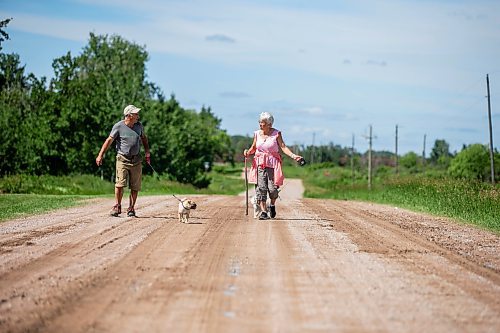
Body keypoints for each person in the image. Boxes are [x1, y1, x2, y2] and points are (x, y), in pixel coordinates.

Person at [243, 112, 303, 220]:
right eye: (260, 122)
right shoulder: (257, 134)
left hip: (273, 165)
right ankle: (264, 212)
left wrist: (294, 156)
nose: (260, 124)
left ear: (270, 124)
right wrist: (248, 152)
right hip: (260, 163)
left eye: (263, 123)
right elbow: (253, 148)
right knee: (261, 188)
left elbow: (283, 147)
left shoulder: (276, 134)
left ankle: (272, 205)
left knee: (273, 189)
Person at [96, 105, 151, 217]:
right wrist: (100, 155)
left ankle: (131, 208)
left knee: (135, 187)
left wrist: (147, 152)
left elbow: (144, 138)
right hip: (122, 159)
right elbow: (109, 140)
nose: (138, 116)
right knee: (120, 184)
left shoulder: (139, 126)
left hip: (136, 160)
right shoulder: (118, 126)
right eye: (136, 114)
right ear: (129, 115)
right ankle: (117, 206)